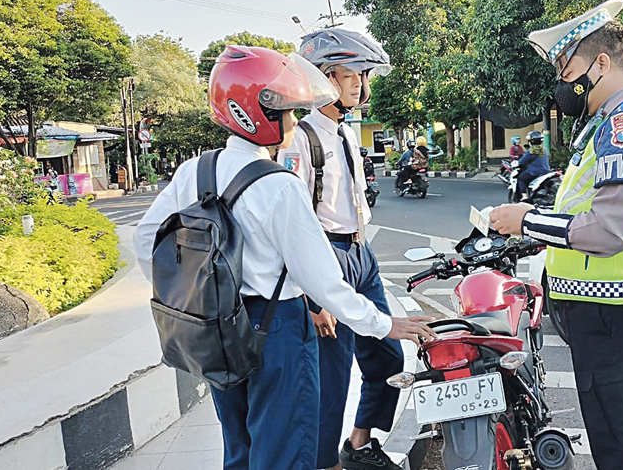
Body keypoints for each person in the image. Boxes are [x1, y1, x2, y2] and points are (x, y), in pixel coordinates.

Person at [133, 46, 434, 470]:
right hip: (277, 329)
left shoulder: (193, 171)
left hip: (218, 326)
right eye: (288, 112)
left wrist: (190, 294)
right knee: (285, 449)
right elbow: (324, 281)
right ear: (260, 113)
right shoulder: (278, 186)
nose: (294, 121)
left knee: (239, 446)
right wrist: (383, 324)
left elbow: (147, 240)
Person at [489, 0, 623, 470]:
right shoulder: (606, 123)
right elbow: (581, 214)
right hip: (605, 310)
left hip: (616, 314)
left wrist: (527, 221)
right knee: (615, 441)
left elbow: (611, 230)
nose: (563, 83)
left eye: (566, 67)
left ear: (600, 61)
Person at [276, 28, 410, 470]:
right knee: (332, 375)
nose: (359, 83)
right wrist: (315, 299)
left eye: (361, 75)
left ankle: (358, 442)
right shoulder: (301, 138)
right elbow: (296, 224)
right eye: (349, 74)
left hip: (361, 254)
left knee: (387, 355)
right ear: (322, 78)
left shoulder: (347, 134)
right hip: (326, 258)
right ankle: (322, 463)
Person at [515, 131, 550, 201]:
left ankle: (525, 196)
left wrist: (516, 165)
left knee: (521, 179)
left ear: (531, 141)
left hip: (535, 172)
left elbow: (521, 162)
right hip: (547, 171)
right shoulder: (544, 150)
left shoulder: (531, 151)